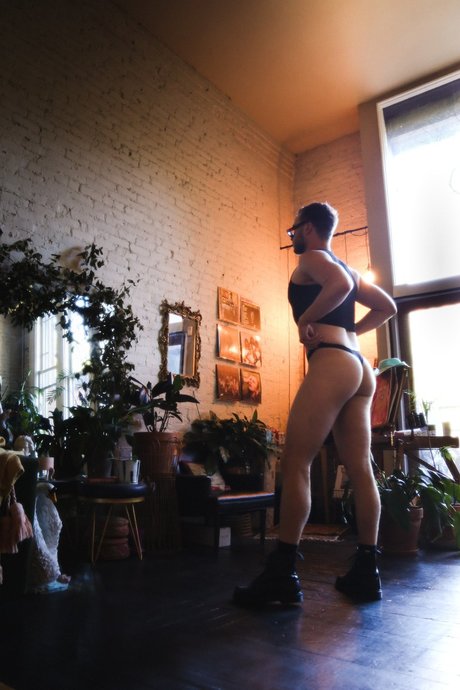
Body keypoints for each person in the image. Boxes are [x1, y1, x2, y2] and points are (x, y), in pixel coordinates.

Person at [233, 202, 397, 606]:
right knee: (360, 468)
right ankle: (367, 572)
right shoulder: (349, 269)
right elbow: (387, 307)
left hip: (332, 362)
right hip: (359, 367)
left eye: (293, 231)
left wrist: (306, 319)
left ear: (307, 228)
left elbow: (337, 285)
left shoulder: (312, 259)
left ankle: (282, 575)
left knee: (295, 462)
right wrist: (351, 331)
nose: (293, 238)